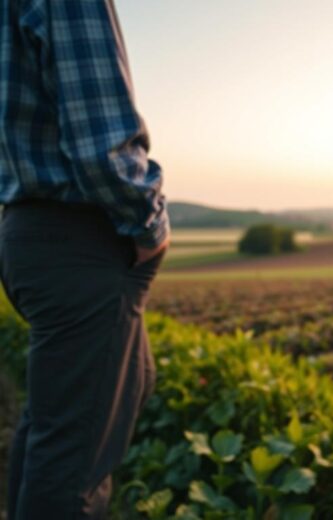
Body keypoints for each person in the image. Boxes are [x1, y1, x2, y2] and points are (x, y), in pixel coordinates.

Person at [0, 0, 169, 517]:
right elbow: (101, 144)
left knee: (59, 431)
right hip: (80, 238)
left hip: (29, 229)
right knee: (74, 466)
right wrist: (148, 220)